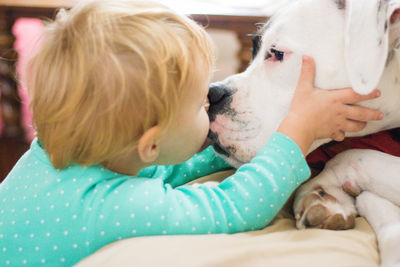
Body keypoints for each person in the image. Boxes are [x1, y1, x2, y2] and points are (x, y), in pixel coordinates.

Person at [0, 0, 383, 266]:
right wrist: (296, 132)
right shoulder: (115, 208)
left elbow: (162, 171)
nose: (210, 102)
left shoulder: (63, 153)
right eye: (199, 105)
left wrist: (237, 138)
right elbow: (235, 207)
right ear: (150, 143)